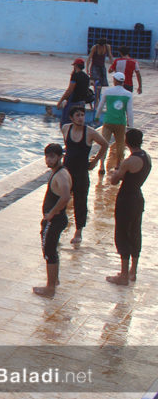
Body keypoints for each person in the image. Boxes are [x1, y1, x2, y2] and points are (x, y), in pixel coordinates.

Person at [106, 128, 151, 285]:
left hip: (126, 199)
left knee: (122, 234)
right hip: (138, 197)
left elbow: (114, 180)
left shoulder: (129, 162)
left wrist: (115, 171)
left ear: (126, 142)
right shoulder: (147, 157)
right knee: (135, 232)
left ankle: (123, 275)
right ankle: (133, 271)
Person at [60, 104, 108, 244]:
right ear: (71, 117)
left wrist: (94, 162)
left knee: (80, 203)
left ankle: (78, 231)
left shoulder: (90, 132)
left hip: (81, 173)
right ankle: (58, 228)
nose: (81, 118)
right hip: (66, 172)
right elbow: (68, 148)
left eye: (82, 115)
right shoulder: (65, 128)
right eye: (78, 115)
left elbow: (105, 144)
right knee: (61, 200)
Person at [34, 143, 72, 298]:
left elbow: (65, 197)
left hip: (55, 220)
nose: (48, 160)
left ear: (60, 157)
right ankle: (54, 281)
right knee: (51, 250)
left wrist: (51, 214)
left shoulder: (61, 175)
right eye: (47, 156)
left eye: (52, 157)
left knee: (49, 251)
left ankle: (50, 288)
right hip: (57, 219)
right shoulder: (60, 172)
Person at [97, 71, 134, 178]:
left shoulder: (108, 92)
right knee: (120, 144)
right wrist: (130, 126)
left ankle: (102, 166)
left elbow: (100, 106)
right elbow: (129, 111)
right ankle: (118, 165)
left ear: (115, 80)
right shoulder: (128, 94)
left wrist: (97, 117)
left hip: (108, 121)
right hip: (120, 122)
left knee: (104, 143)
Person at [56, 58, 93, 125]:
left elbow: (70, 90)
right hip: (82, 102)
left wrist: (60, 101)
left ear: (76, 66)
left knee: (66, 123)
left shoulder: (75, 76)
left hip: (73, 102)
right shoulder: (86, 77)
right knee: (78, 123)